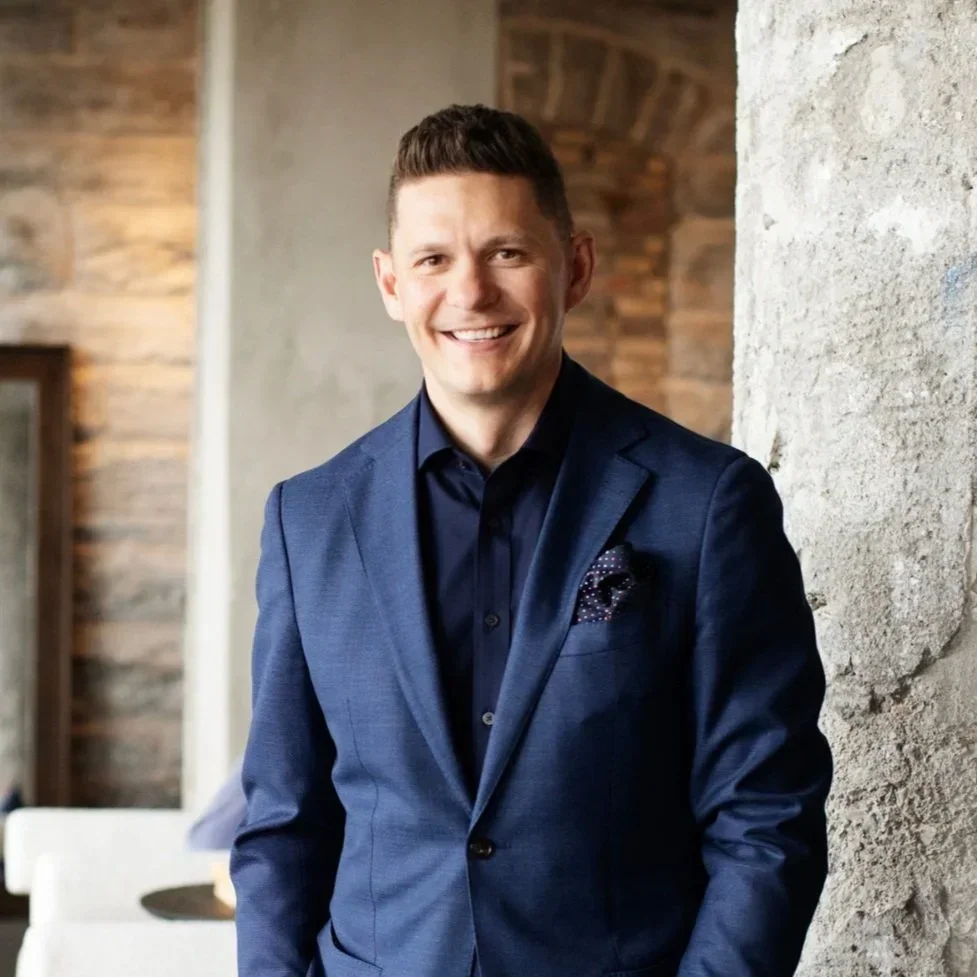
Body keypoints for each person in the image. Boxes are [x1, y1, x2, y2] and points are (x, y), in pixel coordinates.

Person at [231, 104, 832, 977]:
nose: (470, 292)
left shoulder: (707, 505)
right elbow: (283, 825)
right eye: (433, 259)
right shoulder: (309, 519)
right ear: (390, 282)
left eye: (506, 253)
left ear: (574, 266)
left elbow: (764, 818)